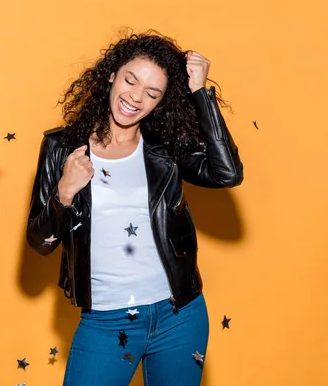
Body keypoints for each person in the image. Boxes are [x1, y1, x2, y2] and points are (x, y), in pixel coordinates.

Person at [26, 29, 243, 386]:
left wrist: (201, 93)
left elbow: (226, 173)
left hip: (179, 315)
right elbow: (40, 243)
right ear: (111, 75)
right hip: (106, 321)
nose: (136, 97)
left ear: (161, 101)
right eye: (130, 80)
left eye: (152, 93)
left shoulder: (166, 149)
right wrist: (63, 192)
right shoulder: (61, 147)